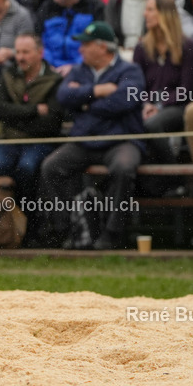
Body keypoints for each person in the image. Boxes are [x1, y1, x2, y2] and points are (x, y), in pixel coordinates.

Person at [40, 21, 145, 250]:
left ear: (102, 48)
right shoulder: (80, 70)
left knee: (124, 167)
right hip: (86, 140)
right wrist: (96, 91)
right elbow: (64, 96)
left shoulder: (130, 71)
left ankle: (112, 233)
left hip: (121, 139)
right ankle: (69, 230)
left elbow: (125, 101)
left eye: (86, 44)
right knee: (51, 166)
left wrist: (86, 105)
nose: (81, 50)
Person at [0, 33, 64, 235]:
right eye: (18, 52)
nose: (20, 57)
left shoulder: (54, 80)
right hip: (10, 139)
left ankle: (29, 225)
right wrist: (32, 111)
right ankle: (1, 226)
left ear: (40, 53)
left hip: (40, 141)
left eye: (26, 52)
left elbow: (51, 123)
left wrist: (15, 116)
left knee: (27, 168)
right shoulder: (8, 75)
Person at [133, 0, 193, 162]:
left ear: (164, 14)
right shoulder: (141, 47)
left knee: (152, 124)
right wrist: (146, 104)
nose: (144, 14)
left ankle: (174, 174)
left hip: (176, 106)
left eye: (150, 10)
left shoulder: (186, 46)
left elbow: (186, 89)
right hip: (147, 106)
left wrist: (160, 106)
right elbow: (136, 85)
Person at [35, 0, 105, 75]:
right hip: (48, 70)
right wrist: (47, 65)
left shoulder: (95, 8)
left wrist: (75, 68)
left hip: (84, 71)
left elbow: (99, 45)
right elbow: (38, 42)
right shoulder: (46, 8)